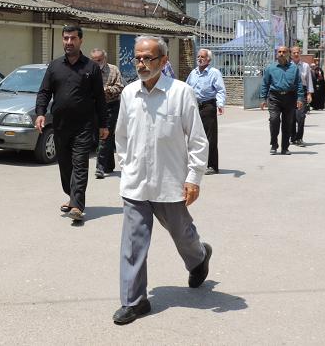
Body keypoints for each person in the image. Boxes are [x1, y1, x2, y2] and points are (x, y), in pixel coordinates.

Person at [113, 35, 210, 325]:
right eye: (138, 58)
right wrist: (126, 166)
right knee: (133, 243)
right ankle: (134, 301)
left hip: (170, 182)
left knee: (183, 234)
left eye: (148, 58)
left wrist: (194, 178)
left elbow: (197, 139)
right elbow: (122, 135)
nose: (141, 64)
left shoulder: (180, 93)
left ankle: (199, 257)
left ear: (164, 60)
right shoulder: (129, 93)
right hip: (136, 184)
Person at [35, 25, 108, 222]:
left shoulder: (91, 67)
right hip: (60, 125)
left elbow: (100, 98)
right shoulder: (54, 66)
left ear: (80, 40)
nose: (69, 42)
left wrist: (103, 124)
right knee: (65, 165)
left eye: (73, 38)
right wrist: (40, 113)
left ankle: (77, 205)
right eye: (66, 38)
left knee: (80, 164)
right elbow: (44, 92)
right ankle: (72, 196)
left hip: (84, 125)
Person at [186, 48, 226, 175]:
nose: (199, 59)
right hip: (194, 106)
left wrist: (220, 104)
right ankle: (196, 163)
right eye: (198, 56)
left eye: (202, 57)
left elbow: (220, 90)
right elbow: (187, 88)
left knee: (210, 137)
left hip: (208, 106)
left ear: (208, 59)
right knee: (194, 136)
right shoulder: (193, 73)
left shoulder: (214, 73)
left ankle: (212, 165)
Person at [260, 46, 304, 155]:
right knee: (274, 120)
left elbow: (299, 84)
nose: (281, 53)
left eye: (284, 52)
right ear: (276, 54)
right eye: (279, 52)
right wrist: (263, 98)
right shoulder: (270, 68)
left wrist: (300, 98)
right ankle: (274, 144)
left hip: (290, 97)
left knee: (287, 123)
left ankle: (285, 148)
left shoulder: (294, 68)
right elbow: (265, 83)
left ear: (288, 54)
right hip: (274, 97)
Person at [90, 48, 125, 179]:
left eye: (99, 60)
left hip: (110, 106)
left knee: (104, 136)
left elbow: (120, 87)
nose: (97, 63)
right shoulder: (88, 70)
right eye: (94, 60)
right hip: (94, 107)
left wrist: (105, 90)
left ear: (104, 59)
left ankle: (100, 168)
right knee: (102, 136)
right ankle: (109, 164)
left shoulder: (113, 70)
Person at [289, 46, 314, 147]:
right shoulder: (288, 66)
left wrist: (309, 93)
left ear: (300, 53)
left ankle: (299, 138)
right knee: (291, 116)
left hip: (302, 92)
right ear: (291, 54)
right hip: (290, 92)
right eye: (294, 53)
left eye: (297, 52)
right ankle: (292, 137)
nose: (296, 54)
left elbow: (309, 80)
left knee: (301, 116)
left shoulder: (305, 66)